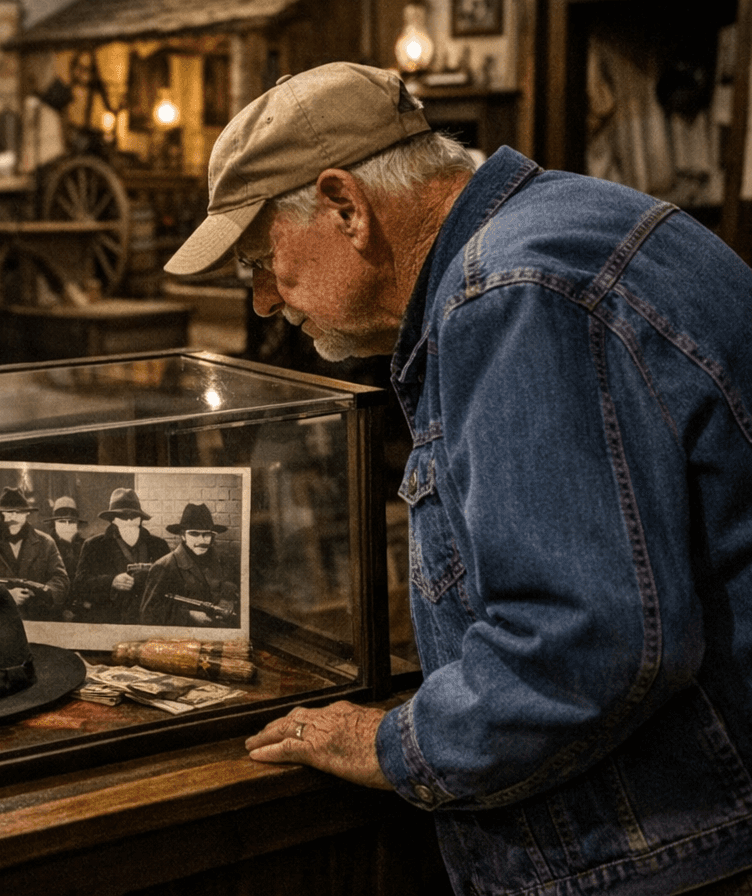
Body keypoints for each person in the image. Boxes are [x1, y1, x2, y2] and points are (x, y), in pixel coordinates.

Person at [163, 61, 752, 895]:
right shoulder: (566, 222)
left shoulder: (506, 293)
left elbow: (589, 642)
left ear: (345, 206)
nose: (262, 301)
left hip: (677, 849)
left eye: (260, 258)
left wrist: (387, 743)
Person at [70, 488, 169, 624]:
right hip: (108, 619)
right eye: (122, 517)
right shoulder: (94, 546)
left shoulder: (158, 545)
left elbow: (170, 583)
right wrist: (111, 581)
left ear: (140, 519)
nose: (129, 521)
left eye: (134, 516)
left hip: (148, 619)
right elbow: (80, 585)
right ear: (113, 520)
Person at [0, 488, 68, 621]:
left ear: (27, 513)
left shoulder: (46, 542)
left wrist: (40, 592)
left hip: (36, 618)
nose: (13, 517)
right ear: (1, 513)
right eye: (8, 512)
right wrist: (4, 595)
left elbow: (60, 580)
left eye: (19, 512)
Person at [138, 503, 238, 627]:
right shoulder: (164, 566)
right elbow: (148, 614)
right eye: (194, 534)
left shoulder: (219, 561)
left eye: (207, 534)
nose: (202, 540)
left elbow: (228, 586)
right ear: (182, 535)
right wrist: (189, 616)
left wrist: (226, 599)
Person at [46, 496, 87, 591]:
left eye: (71, 521)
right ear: (54, 523)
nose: (67, 526)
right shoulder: (45, 545)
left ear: (77, 524)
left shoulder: (87, 545)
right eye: (62, 521)